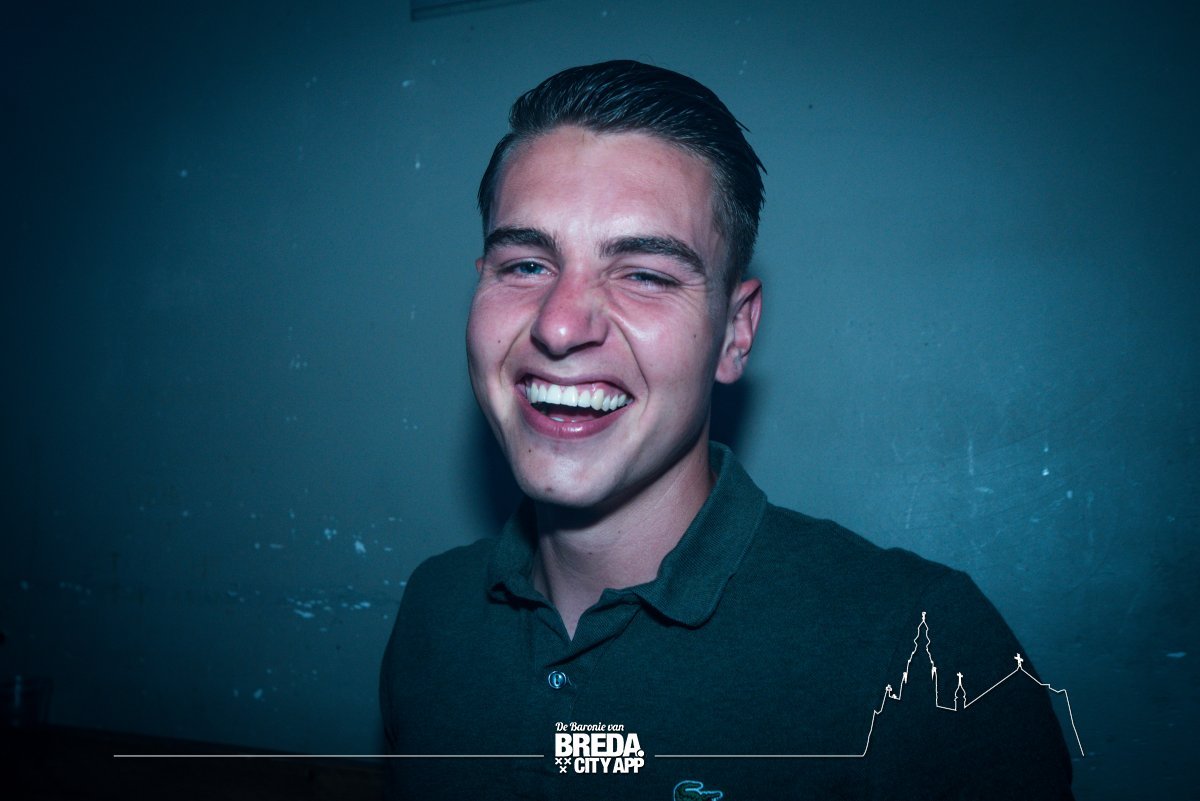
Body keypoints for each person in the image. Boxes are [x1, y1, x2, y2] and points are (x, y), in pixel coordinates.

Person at [380, 60, 1075, 800]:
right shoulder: (434, 611)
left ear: (736, 332)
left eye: (645, 274)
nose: (559, 324)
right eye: (525, 264)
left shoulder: (924, 646)